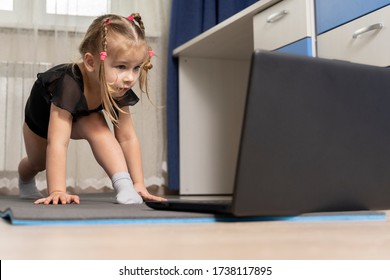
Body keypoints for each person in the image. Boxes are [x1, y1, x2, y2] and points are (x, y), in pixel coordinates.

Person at [17, 13, 166, 205]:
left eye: (136, 68)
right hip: (42, 121)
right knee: (37, 162)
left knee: (98, 127)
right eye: (121, 66)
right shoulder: (67, 84)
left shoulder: (118, 86)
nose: (130, 77)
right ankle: (25, 180)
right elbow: (58, 142)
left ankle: (125, 186)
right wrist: (57, 191)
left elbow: (127, 138)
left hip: (83, 116)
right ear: (90, 62)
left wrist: (139, 183)